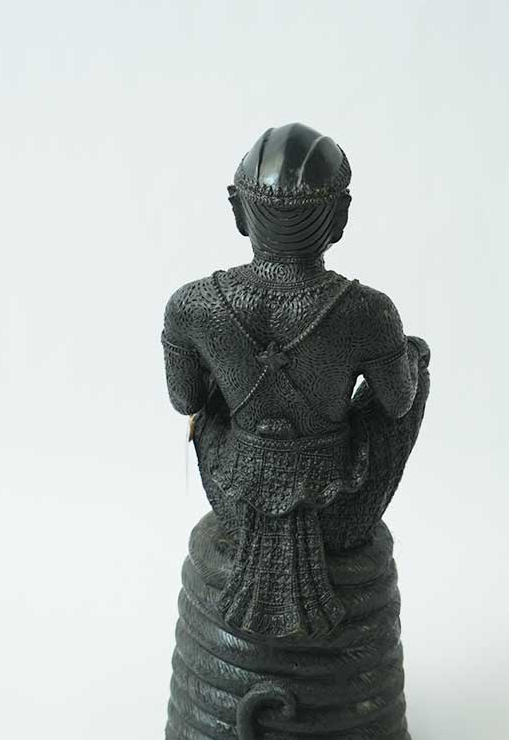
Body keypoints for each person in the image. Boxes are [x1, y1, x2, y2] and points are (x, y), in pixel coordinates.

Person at [162, 123, 430, 638]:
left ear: (238, 211)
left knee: (210, 390)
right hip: (337, 508)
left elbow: (185, 399)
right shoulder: (369, 311)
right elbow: (398, 403)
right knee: (414, 362)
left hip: (235, 500)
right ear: (341, 216)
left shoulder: (192, 306)